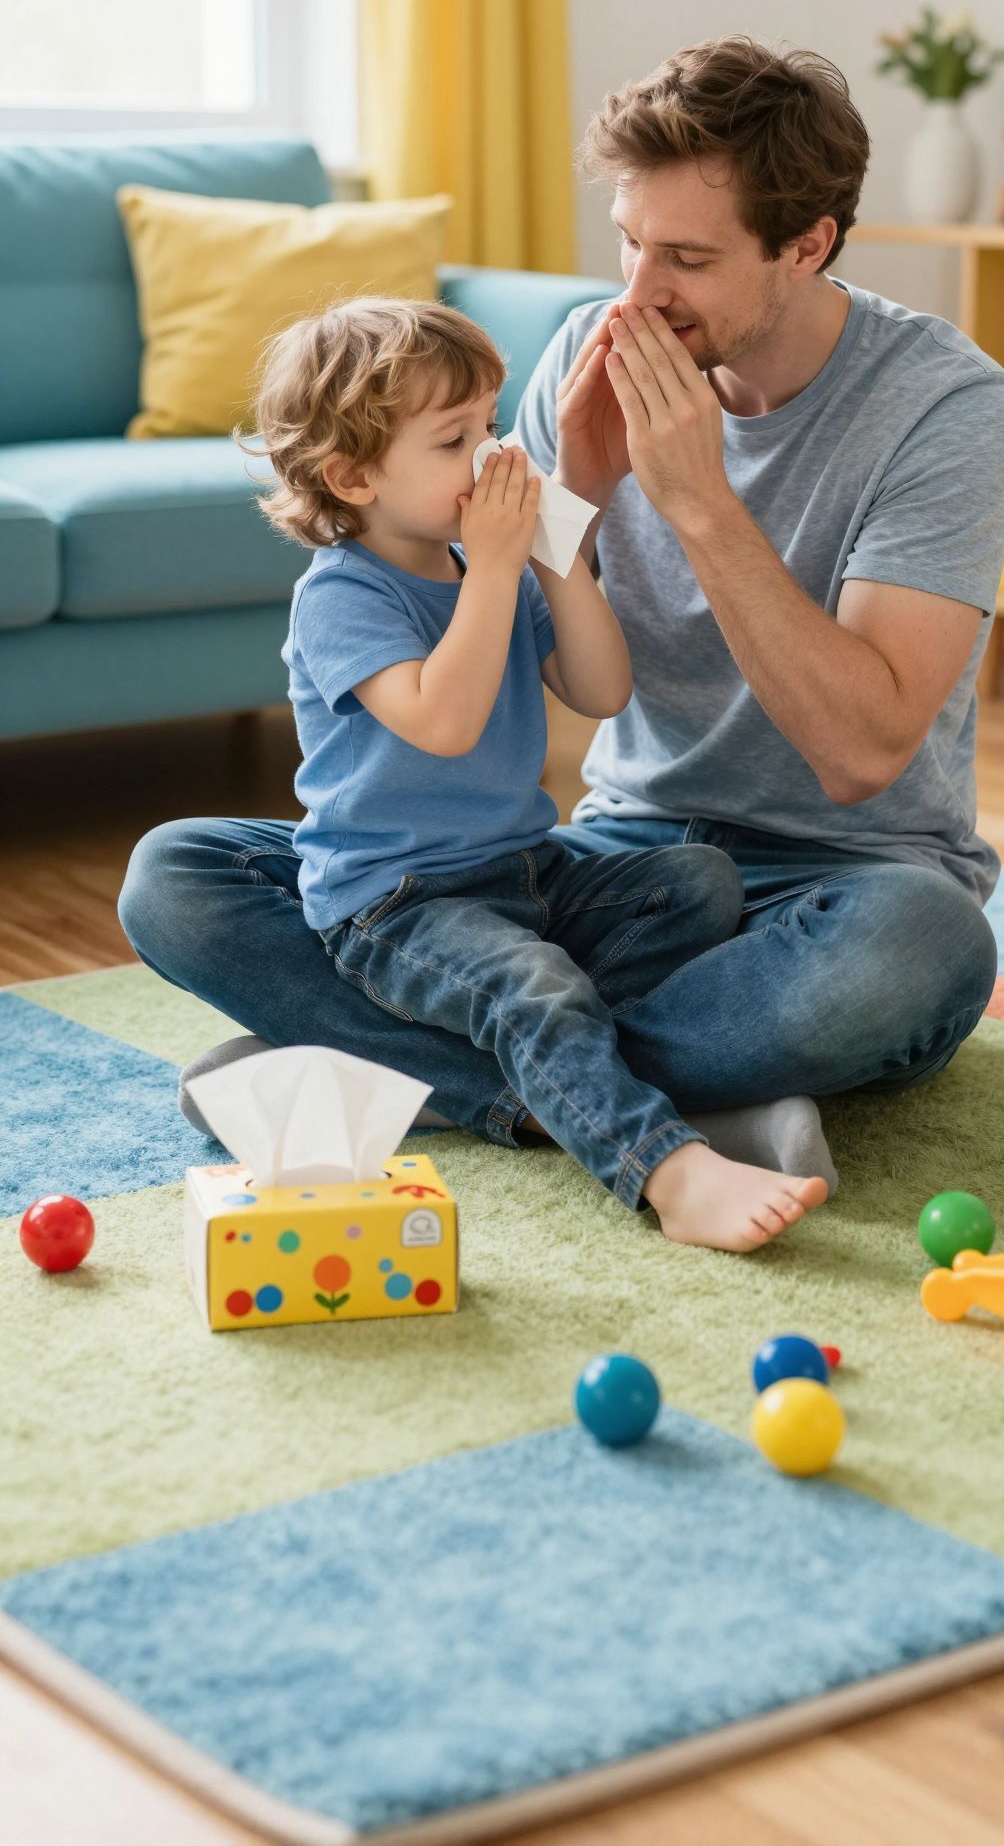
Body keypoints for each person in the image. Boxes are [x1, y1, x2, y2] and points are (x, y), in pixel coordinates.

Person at [119, 33, 1004, 1221]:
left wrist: (697, 498)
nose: (639, 294)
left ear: (807, 245)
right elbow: (533, 662)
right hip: (617, 866)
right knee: (180, 875)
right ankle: (633, 1093)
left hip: (842, 880)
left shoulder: (945, 407)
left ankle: (404, 1074)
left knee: (928, 947)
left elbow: (862, 756)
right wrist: (575, 518)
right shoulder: (583, 356)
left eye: (688, 258)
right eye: (632, 243)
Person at [160, 296, 829, 1252]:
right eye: (453, 441)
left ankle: (387, 1074)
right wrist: (494, 570)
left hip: (522, 874)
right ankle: (668, 1171)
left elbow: (601, 689)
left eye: (490, 425)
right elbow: (443, 717)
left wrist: (555, 556)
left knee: (698, 883)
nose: (492, 455)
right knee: (535, 990)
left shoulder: (500, 567)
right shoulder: (343, 595)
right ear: (352, 475)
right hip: (397, 902)